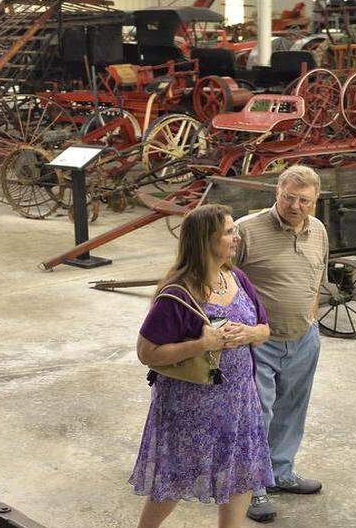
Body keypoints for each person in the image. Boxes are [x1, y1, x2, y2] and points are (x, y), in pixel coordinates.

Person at [129, 204, 273, 528]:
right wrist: (202, 344)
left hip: (238, 400)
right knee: (175, 478)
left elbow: (265, 329)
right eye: (229, 231)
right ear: (206, 240)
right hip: (190, 405)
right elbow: (147, 352)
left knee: (240, 475)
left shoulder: (236, 277)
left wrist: (250, 333)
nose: (236, 237)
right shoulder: (178, 292)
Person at [234, 165, 328, 523]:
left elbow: (318, 274)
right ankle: (252, 486)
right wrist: (242, 332)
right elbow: (221, 281)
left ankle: (280, 472)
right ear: (277, 191)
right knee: (257, 413)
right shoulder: (247, 229)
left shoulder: (318, 229)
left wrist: (311, 317)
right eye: (289, 197)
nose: (295, 206)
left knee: (292, 409)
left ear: (315, 200)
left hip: (303, 336)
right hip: (260, 340)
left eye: (304, 200)